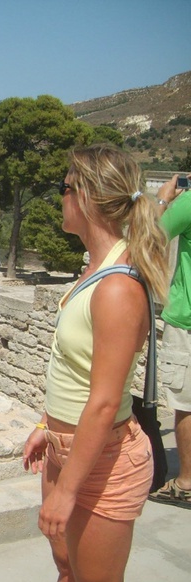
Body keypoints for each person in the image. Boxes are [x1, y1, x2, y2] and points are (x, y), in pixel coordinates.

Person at [22, 144, 168, 582]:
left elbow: (104, 403)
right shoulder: (95, 272)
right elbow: (76, 369)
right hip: (64, 449)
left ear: (84, 196)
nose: (59, 197)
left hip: (103, 461)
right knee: (68, 568)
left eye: (63, 188)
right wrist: (47, 425)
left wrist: (66, 492)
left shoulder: (117, 288)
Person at [149, 173, 191, 509]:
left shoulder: (189, 203)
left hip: (187, 320)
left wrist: (163, 200)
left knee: (187, 404)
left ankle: (186, 484)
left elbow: (148, 238)